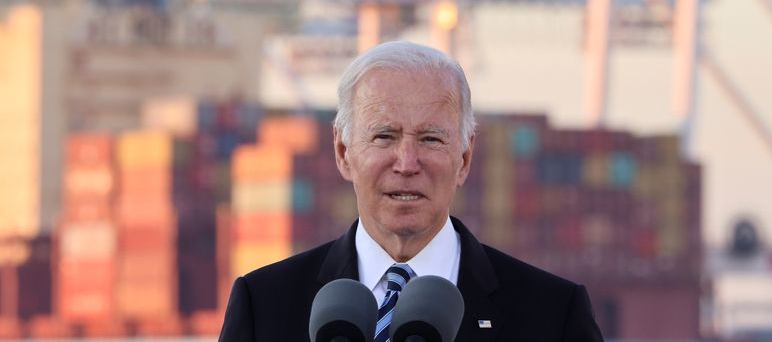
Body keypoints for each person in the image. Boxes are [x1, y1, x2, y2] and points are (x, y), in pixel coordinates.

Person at [219, 41, 604, 341]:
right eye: (384, 136)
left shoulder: (552, 313)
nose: (406, 162)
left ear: (465, 157)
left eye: (431, 139)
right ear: (343, 152)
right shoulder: (265, 304)